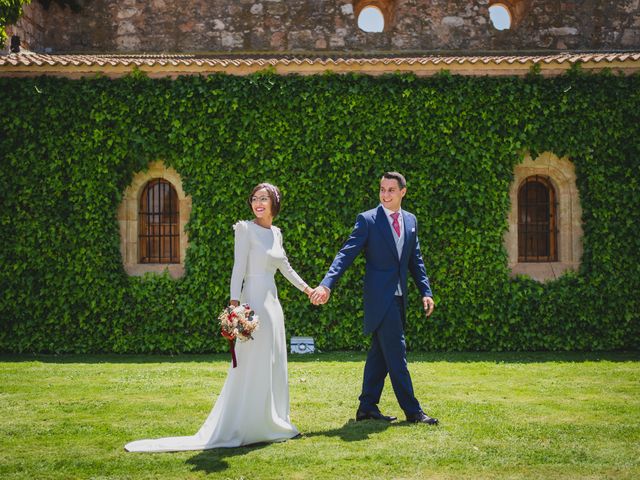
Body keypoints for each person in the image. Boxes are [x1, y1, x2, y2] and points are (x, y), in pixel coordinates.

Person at [125, 183, 312, 452]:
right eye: (254, 198)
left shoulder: (277, 233)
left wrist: (308, 289)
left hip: (274, 306)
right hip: (254, 304)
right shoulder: (245, 230)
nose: (258, 203)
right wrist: (235, 306)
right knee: (249, 364)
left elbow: (285, 267)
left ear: (274, 203)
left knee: (273, 362)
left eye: (264, 198)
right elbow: (238, 269)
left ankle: (272, 422)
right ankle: (243, 425)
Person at [310, 172, 438, 425]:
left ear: (403, 192)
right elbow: (345, 254)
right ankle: (413, 412)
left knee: (380, 355)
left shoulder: (410, 220)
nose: (385, 194)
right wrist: (326, 284)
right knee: (397, 353)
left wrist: (426, 291)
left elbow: (415, 259)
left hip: (400, 297)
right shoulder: (368, 220)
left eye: (391, 190)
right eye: (382, 189)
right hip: (381, 299)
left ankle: (367, 407)